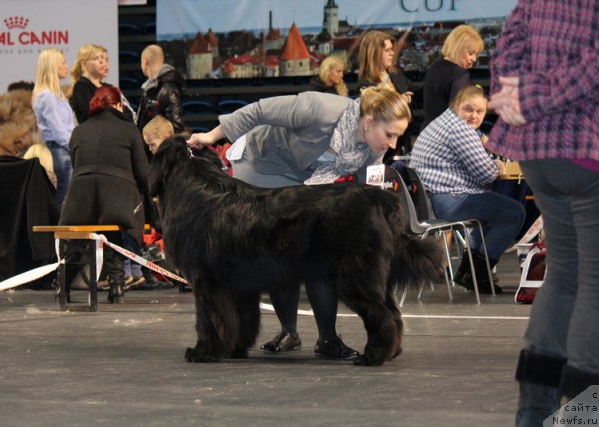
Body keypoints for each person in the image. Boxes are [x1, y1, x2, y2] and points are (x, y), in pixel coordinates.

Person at [187, 88, 411, 359]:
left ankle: (328, 339)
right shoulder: (319, 108)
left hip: (308, 179)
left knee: (322, 253)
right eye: (390, 135)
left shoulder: (371, 146)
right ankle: (288, 331)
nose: (394, 144)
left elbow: (369, 193)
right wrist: (210, 137)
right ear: (369, 122)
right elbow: (259, 110)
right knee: (276, 253)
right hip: (263, 165)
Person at [486, 1, 599, 424]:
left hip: (536, 151)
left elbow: (506, 55)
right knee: (595, 283)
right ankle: (586, 417)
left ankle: (534, 413)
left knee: (564, 275)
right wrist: (534, 98)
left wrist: (516, 100)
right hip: (586, 147)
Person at [410, 85, 525, 295]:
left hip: (431, 200)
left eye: (480, 112)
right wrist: (497, 165)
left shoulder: (445, 121)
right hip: (449, 200)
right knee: (514, 213)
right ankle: (477, 274)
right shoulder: (460, 130)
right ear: (457, 106)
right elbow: (485, 173)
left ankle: (468, 272)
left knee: (494, 211)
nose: (474, 116)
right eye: (469, 110)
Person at [59, 85, 150, 304]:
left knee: (79, 239)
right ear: (118, 105)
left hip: (79, 201)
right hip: (117, 201)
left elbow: (75, 164)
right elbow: (143, 172)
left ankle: (63, 285)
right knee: (114, 229)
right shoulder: (129, 129)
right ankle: (117, 286)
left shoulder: (79, 131)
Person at [356, 30, 414, 156]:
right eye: (387, 50)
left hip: (402, 145)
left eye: (392, 49)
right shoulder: (365, 86)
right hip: (380, 152)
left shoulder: (396, 74)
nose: (392, 53)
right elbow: (372, 118)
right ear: (375, 54)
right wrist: (399, 102)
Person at [32, 48, 76, 209]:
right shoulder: (47, 96)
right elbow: (58, 131)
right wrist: (74, 146)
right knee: (65, 192)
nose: (67, 66)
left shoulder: (56, 94)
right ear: (53, 66)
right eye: (63, 62)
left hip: (64, 148)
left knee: (68, 192)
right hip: (60, 149)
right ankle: (59, 230)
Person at [421, 24, 484, 130]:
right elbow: (459, 117)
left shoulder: (434, 67)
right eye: (471, 53)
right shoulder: (459, 74)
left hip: (427, 133)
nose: (474, 59)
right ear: (458, 48)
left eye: (476, 54)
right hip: (447, 138)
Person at [68, 44, 136, 124]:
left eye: (106, 59)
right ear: (84, 64)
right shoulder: (81, 87)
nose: (104, 63)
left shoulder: (109, 88)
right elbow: (94, 115)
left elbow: (128, 114)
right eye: (97, 59)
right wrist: (116, 111)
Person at [137, 44, 186, 134]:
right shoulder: (150, 88)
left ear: (145, 61)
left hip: (160, 147)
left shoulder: (169, 88)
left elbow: (175, 126)